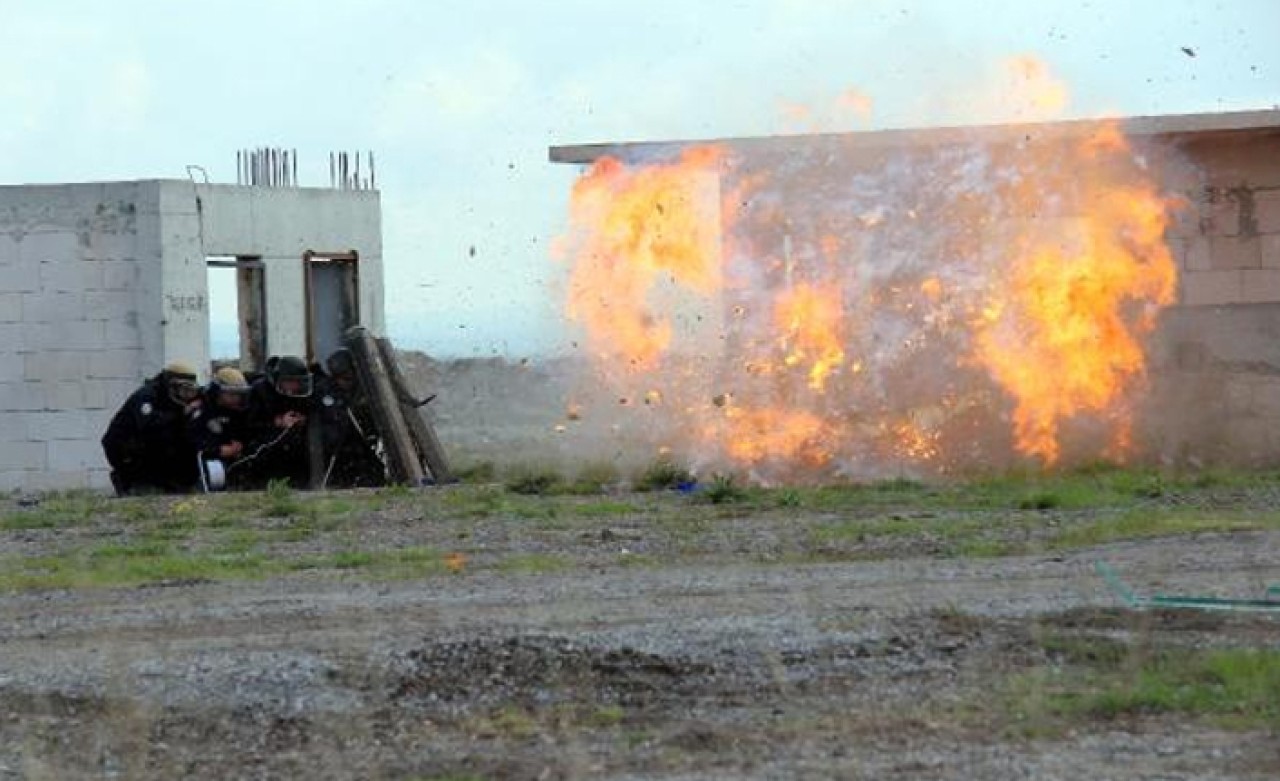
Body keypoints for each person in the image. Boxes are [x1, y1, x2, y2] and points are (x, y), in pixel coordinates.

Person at [101, 361, 202, 496]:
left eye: (191, 391)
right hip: (124, 448)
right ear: (171, 386)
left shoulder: (174, 401)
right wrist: (181, 413)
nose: (187, 395)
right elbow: (148, 425)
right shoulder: (146, 395)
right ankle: (130, 482)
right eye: (184, 390)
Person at [233, 355, 315, 488]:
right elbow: (248, 425)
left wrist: (302, 420)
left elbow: (309, 411)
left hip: (294, 449)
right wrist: (276, 423)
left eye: (299, 382)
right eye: (292, 381)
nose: (296, 386)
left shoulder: (301, 393)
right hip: (264, 447)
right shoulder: (259, 391)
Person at [314, 348, 385, 488]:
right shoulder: (325, 390)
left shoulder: (366, 388)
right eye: (338, 378)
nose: (342, 382)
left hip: (360, 442)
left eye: (346, 377)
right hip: (335, 445)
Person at [188, 367, 253, 490]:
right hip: (206, 459)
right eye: (231, 394)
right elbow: (191, 439)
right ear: (217, 392)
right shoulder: (201, 409)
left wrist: (240, 444)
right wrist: (217, 450)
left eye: (239, 394)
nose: (236, 398)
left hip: (234, 459)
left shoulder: (240, 412)